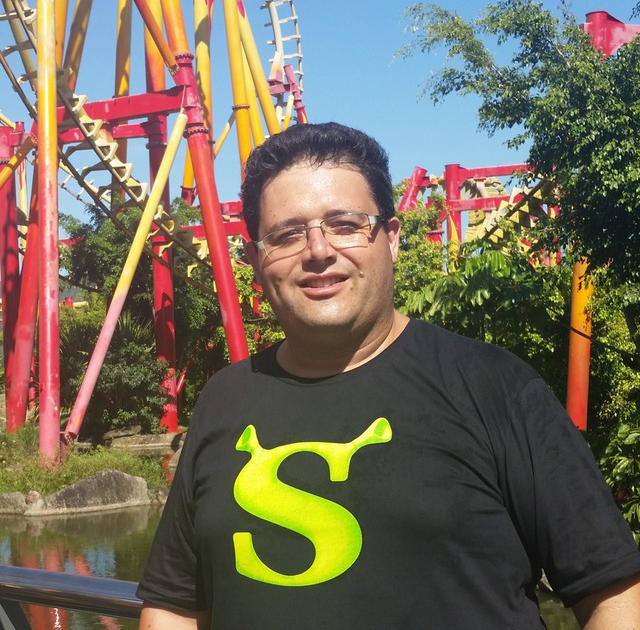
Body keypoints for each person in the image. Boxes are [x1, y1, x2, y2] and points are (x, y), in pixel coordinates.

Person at [137, 122, 640, 629]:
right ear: (254, 260)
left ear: (392, 239)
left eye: (345, 224)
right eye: (287, 235)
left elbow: (617, 596)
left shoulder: (494, 386)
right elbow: (175, 606)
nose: (318, 251)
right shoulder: (225, 398)